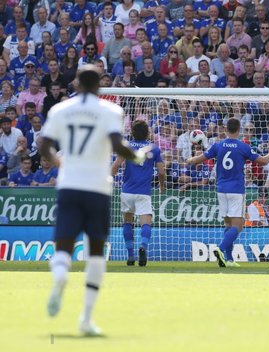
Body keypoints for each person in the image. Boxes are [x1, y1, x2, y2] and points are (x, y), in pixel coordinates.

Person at [41, 65, 149, 335]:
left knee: (64, 245)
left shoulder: (60, 110)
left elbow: (44, 144)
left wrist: (57, 161)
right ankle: (86, 319)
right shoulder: (110, 110)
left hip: (69, 184)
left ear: (76, 84)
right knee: (96, 254)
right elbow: (117, 145)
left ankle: (61, 276)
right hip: (98, 187)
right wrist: (138, 155)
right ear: (100, 86)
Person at [186, 118, 269, 268]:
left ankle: (228, 260)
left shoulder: (218, 145)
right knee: (238, 225)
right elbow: (264, 161)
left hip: (221, 189)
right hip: (236, 190)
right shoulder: (243, 147)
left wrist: (190, 160)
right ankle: (220, 248)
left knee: (228, 225)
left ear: (226, 129)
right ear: (239, 129)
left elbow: (198, 159)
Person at [110, 120, 165, 267]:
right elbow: (161, 171)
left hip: (127, 191)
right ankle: (143, 247)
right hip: (143, 193)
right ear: (147, 132)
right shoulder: (154, 148)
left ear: (132, 132)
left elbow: (116, 164)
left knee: (127, 222)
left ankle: (130, 255)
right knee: (145, 223)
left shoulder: (126, 146)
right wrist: (162, 184)